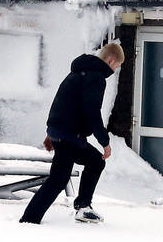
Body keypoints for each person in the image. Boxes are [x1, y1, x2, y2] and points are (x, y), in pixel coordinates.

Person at [19, 42, 125, 225]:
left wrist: (52, 132)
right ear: (111, 60)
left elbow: (62, 102)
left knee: (89, 164)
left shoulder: (79, 72)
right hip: (68, 135)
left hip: (63, 133)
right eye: (117, 66)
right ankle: (31, 219)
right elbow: (92, 111)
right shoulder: (95, 77)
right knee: (64, 177)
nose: (115, 70)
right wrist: (104, 142)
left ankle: (81, 207)